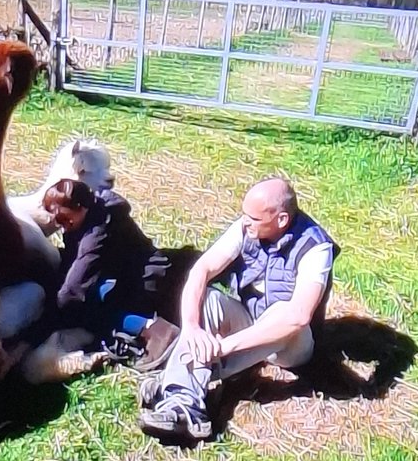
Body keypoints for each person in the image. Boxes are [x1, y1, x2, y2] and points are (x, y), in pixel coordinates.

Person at [137, 177, 340, 444]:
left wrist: (223, 347)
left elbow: (298, 316)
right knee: (208, 300)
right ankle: (181, 405)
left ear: (280, 220)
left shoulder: (315, 248)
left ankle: (174, 382)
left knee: (283, 311)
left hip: (291, 345)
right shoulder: (248, 227)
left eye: (253, 217)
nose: (245, 221)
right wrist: (192, 328)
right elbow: (202, 269)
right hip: (249, 321)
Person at [41, 179, 180, 355]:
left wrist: (48, 317)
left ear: (80, 207)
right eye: (56, 220)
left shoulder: (96, 234)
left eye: (63, 218)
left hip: (145, 280)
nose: (61, 225)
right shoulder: (86, 217)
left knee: (95, 310)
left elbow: (74, 288)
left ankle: (155, 331)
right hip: (120, 274)